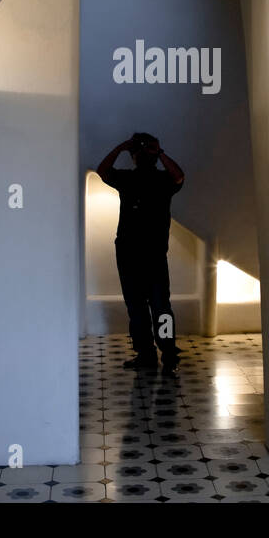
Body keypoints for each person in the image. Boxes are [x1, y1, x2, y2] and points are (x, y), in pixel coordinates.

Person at [96, 132, 186, 371]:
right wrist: (123, 145)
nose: (142, 155)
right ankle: (146, 353)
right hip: (129, 253)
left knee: (159, 306)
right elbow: (102, 170)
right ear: (135, 156)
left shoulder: (163, 180)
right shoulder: (127, 179)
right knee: (137, 307)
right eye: (140, 150)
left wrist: (159, 152)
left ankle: (167, 351)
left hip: (153, 254)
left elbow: (179, 176)